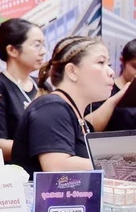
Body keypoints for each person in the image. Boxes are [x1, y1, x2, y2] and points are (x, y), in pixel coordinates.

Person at [11, 36, 115, 178]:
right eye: (101, 62)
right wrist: (119, 164)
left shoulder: (77, 116)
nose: (111, 72)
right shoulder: (52, 108)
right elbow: (57, 166)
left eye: (109, 64)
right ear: (72, 71)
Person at [0, 19, 46, 161]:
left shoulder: (42, 85)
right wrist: (46, 150)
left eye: (43, 45)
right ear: (12, 50)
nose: (43, 51)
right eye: (37, 45)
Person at [86, 38, 135, 132]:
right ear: (123, 61)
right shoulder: (103, 90)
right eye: (135, 66)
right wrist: (115, 100)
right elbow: (86, 129)